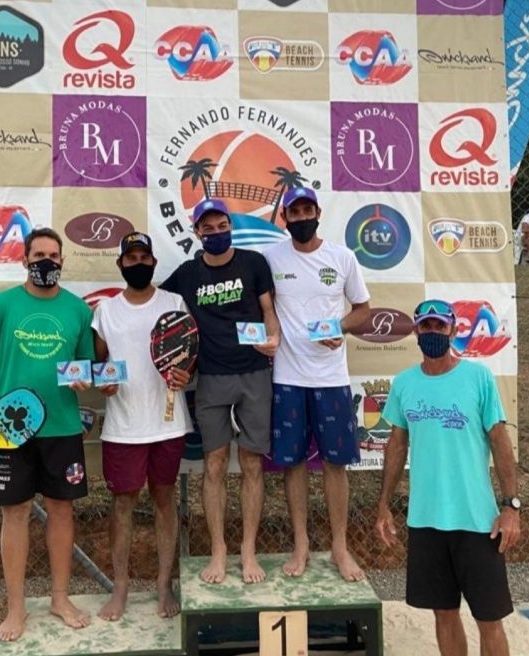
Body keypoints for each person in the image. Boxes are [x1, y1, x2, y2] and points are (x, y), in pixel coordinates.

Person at [374, 299, 529, 656]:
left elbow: (500, 441)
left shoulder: (478, 378)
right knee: (444, 615)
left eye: (438, 325)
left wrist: (511, 507)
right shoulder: (404, 384)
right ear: (416, 332)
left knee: (490, 621)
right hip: (426, 521)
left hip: (477, 521)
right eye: (424, 325)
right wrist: (383, 505)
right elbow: (396, 444)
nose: (431, 332)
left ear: (453, 329)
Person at [0, 227, 93, 642]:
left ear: (62, 261)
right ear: (24, 260)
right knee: (14, 513)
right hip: (8, 428)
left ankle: (60, 599)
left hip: (63, 427)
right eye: (39, 256)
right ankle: (15, 607)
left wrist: (85, 379)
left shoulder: (78, 310)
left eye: (53, 256)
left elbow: (86, 367)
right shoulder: (0, 306)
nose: (46, 262)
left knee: (61, 510)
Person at [162, 199, 280, 584]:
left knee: (251, 464)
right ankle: (218, 550)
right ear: (197, 232)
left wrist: (274, 337)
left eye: (221, 226)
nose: (216, 233)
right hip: (210, 378)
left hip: (255, 373)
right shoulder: (187, 273)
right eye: (208, 228)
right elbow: (158, 309)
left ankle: (248, 549)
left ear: (231, 226)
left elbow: (268, 310)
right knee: (213, 465)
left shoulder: (254, 263)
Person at [263, 187, 370, 581]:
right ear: (285, 218)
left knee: (334, 464)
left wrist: (338, 327)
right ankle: (301, 544)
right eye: (295, 212)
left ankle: (340, 547)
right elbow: (264, 309)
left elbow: (363, 310)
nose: (302, 217)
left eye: (308, 210)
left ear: (318, 212)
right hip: (287, 377)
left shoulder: (342, 257)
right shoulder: (271, 258)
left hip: (331, 378)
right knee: (292, 465)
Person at [92, 232, 193, 621]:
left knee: (165, 500)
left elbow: (190, 354)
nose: (138, 263)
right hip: (123, 426)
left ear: (153, 262)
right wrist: (103, 381)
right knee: (123, 505)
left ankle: (164, 586)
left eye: (143, 257)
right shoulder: (105, 311)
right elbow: (97, 363)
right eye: (130, 258)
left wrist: (186, 372)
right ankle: (120, 588)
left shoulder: (174, 303)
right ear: (120, 264)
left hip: (168, 424)